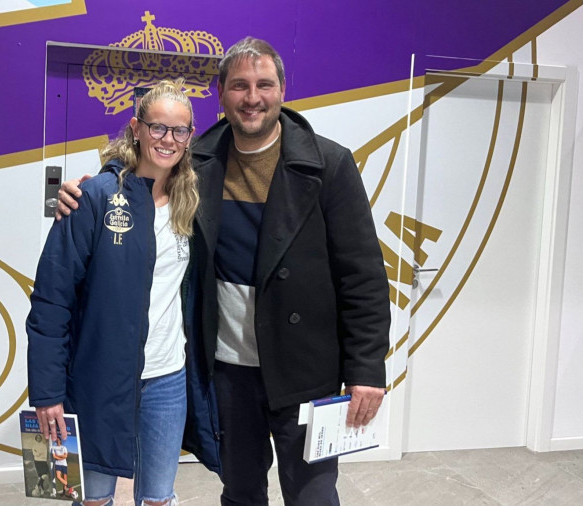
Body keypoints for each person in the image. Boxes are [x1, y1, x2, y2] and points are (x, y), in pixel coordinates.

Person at [56, 37, 390, 506]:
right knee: (241, 491)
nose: (252, 97)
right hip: (229, 372)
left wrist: (367, 369)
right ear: (221, 94)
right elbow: (144, 164)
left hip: (305, 370)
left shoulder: (329, 164)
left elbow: (363, 276)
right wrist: (89, 189)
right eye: (239, 86)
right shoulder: (201, 158)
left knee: (313, 495)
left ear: (282, 90)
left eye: (263, 84)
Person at [27, 78, 213, 506]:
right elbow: (52, 301)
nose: (168, 139)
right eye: (157, 127)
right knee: (92, 498)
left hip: (167, 378)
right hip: (99, 378)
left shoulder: (192, 202)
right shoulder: (93, 197)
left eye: (179, 130)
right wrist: (48, 392)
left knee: (159, 497)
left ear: (189, 138)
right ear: (136, 128)